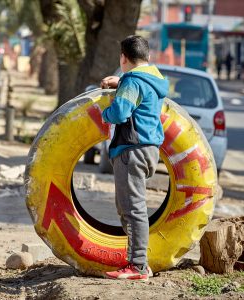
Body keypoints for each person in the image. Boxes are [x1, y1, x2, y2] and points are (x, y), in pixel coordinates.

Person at [100, 35, 169, 281]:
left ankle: (138, 266)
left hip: (131, 148)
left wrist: (104, 114)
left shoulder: (132, 81)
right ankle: (135, 261)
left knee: (133, 208)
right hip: (149, 149)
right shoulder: (153, 79)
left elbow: (120, 112)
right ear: (147, 57)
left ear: (123, 58)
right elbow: (142, 93)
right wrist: (121, 82)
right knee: (129, 207)